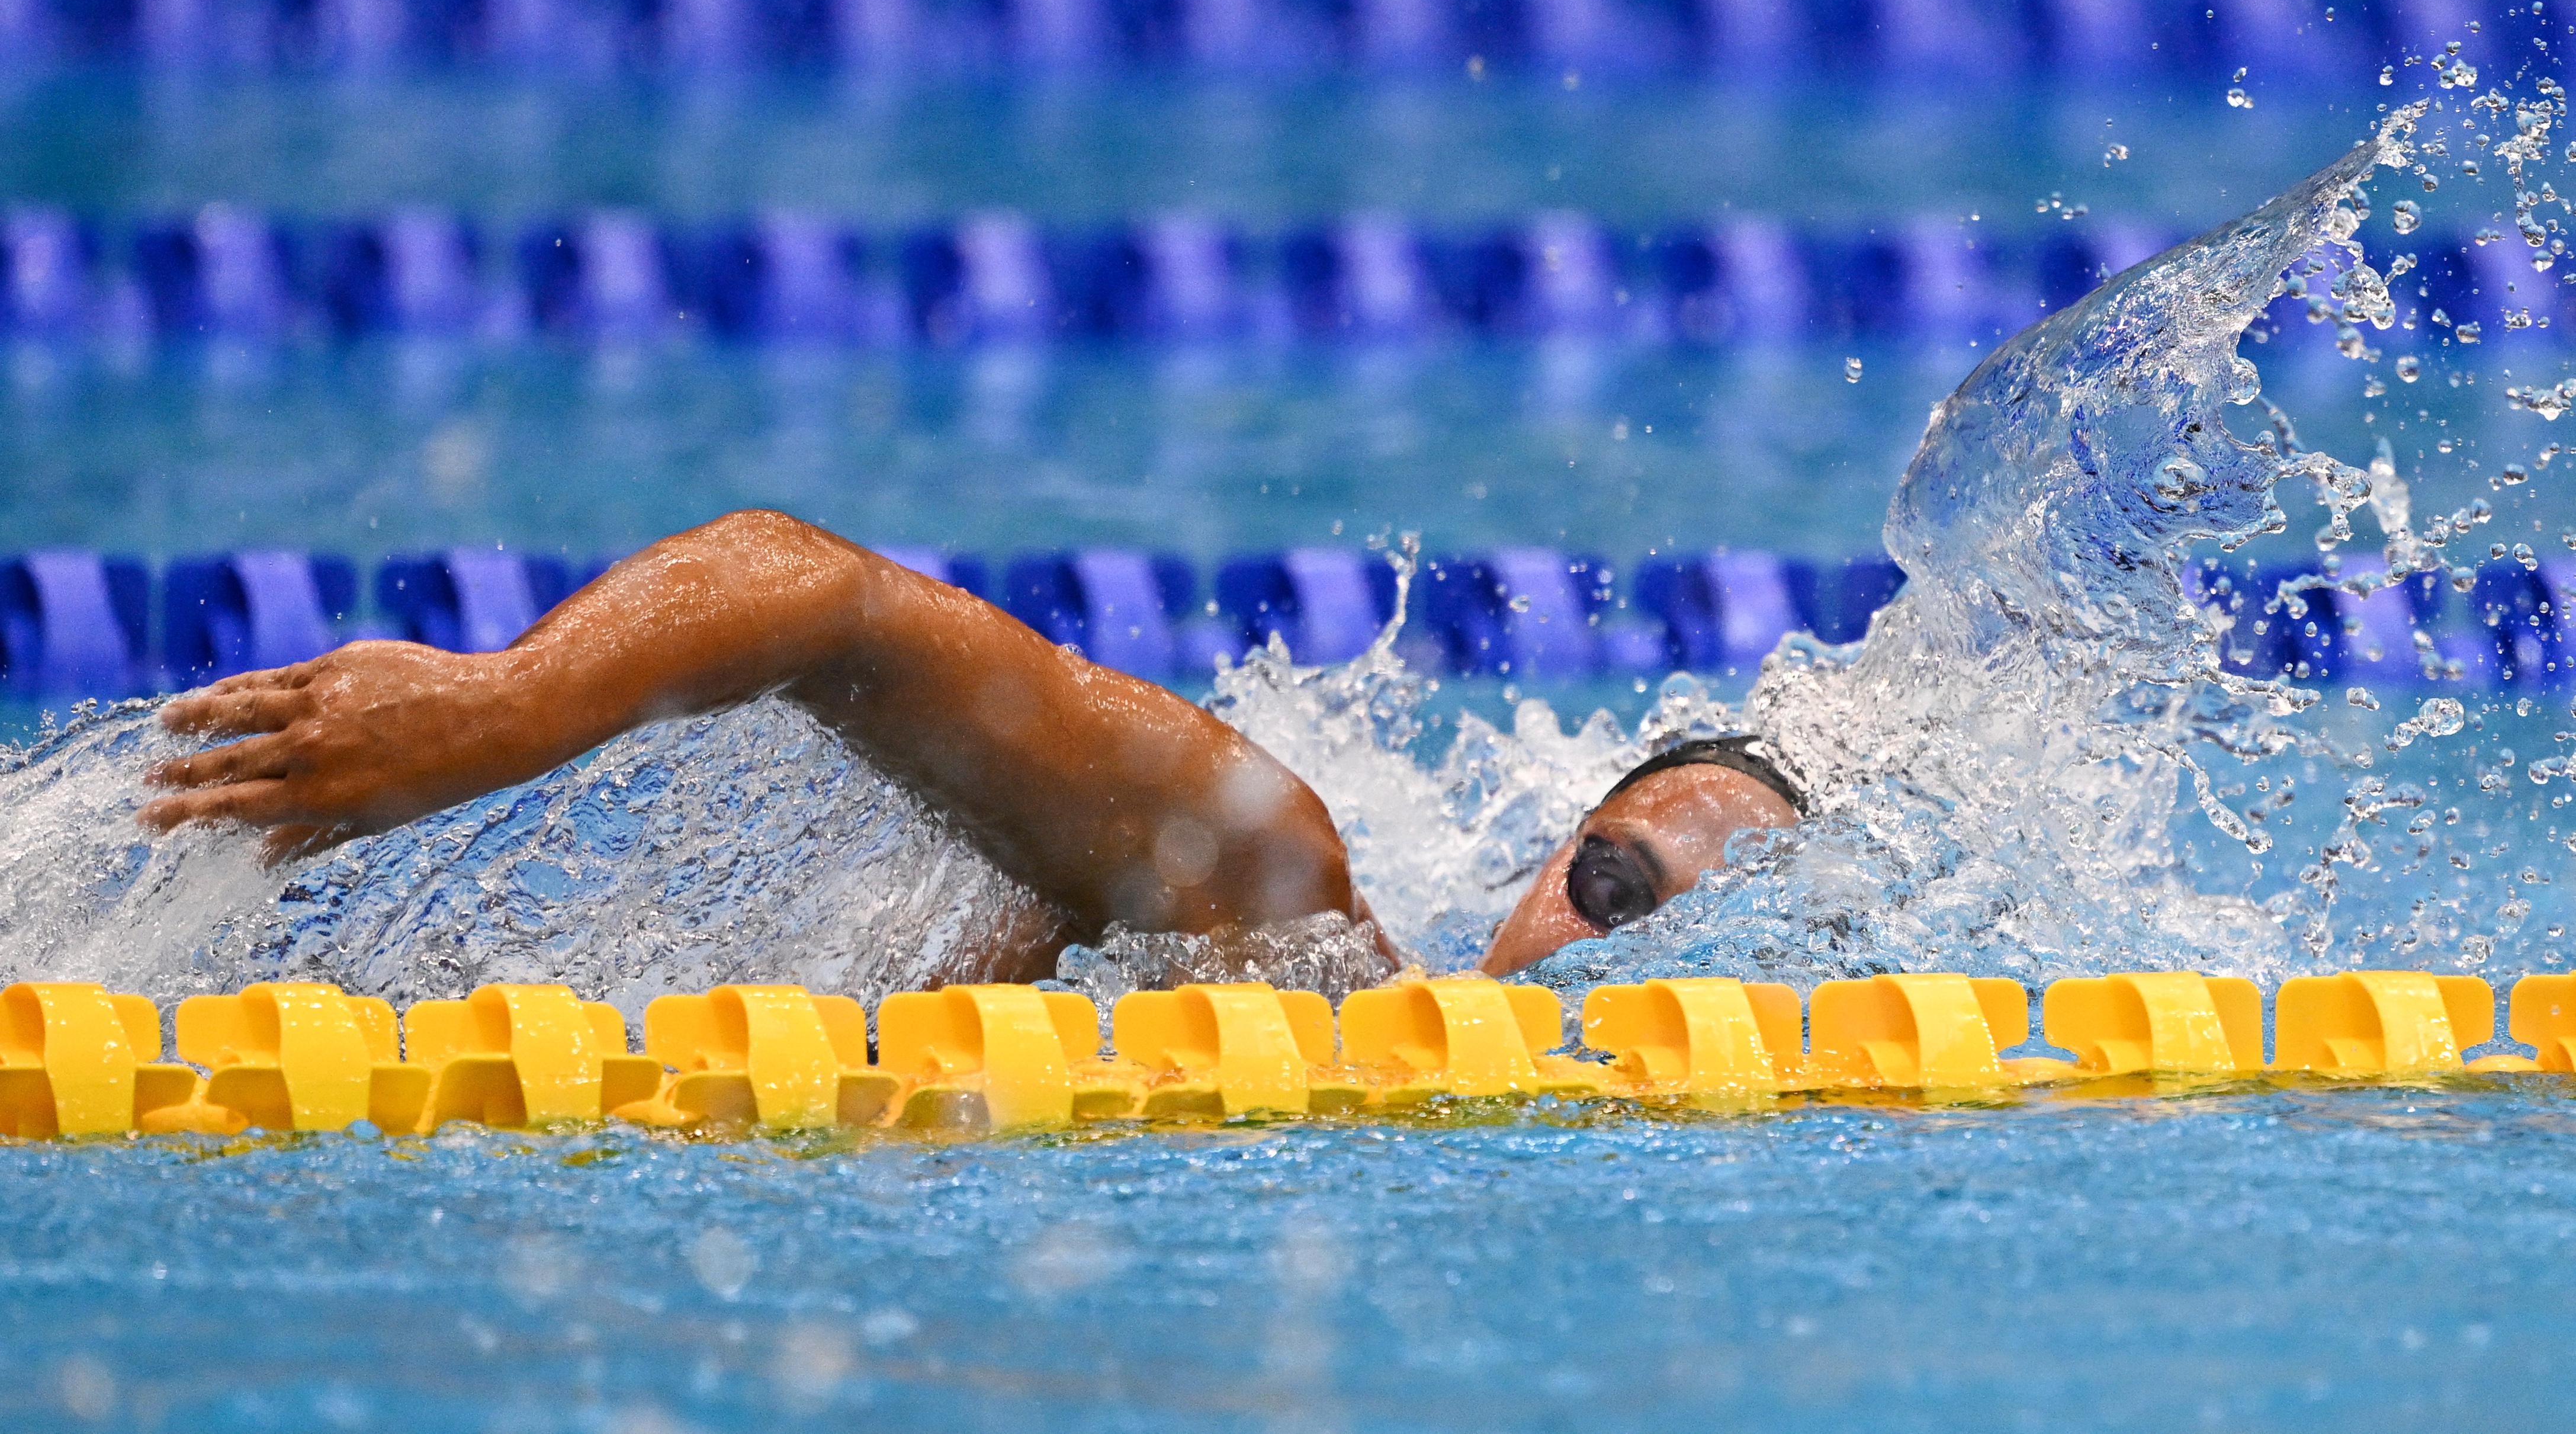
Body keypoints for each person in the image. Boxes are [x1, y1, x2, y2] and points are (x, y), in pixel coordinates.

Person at [139, 510, 1804, 979]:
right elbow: (823, 600)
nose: (1607, 966)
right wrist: (499, 707)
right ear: (1543, 860)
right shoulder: (1282, 906)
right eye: (1611, 880)